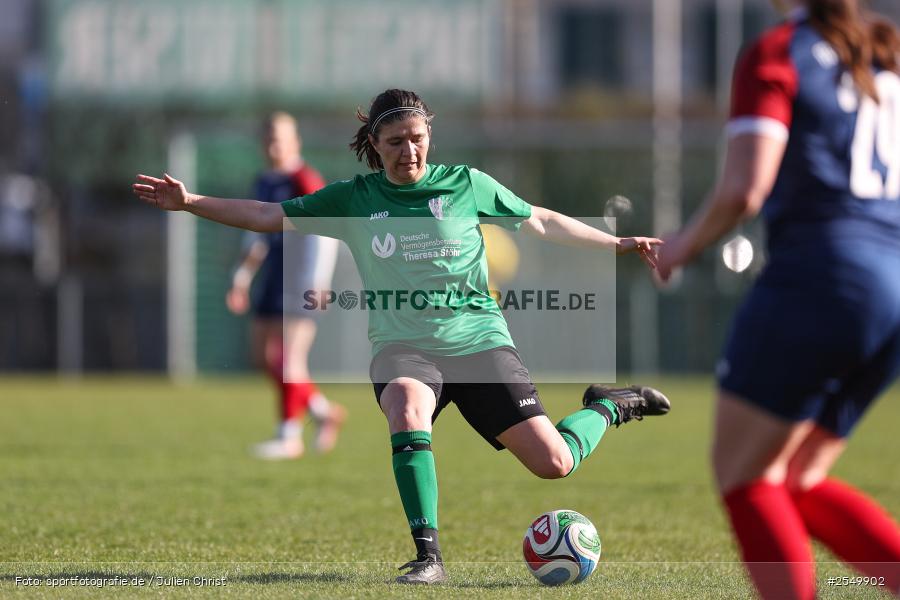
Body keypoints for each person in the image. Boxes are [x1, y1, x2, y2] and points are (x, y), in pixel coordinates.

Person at [134, 88, 671, 584]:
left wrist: (617, 244)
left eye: (417, 138)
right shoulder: (355, 199)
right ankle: (428, 556)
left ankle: (608, 406)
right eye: (395, 142)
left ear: (428, 136)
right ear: (374, 145)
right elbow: (265, 213)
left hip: (479, 343)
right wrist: (190, 202)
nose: (408, 151)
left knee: (555, 464)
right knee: (407, 411)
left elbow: (543, 221)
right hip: (404, 348)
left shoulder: (466, 184)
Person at [657, 2, 900, 598]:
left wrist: (682, 245)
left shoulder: (778, 50)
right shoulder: (886, 53)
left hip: (824, 278)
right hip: (893, 287)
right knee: (798, 477)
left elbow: (746, 187)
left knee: (745, 476)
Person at [225, 112, 346, 460]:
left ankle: (288, 436)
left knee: (292, 360)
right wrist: (242, 277)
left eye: (280, 136)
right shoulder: (263, 182)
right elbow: (255, 233)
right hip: (272, 278)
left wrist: (319, 281)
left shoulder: (304, 180)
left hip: (300, 280)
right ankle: (322, 412)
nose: (273, 143)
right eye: (267, 137)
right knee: (265, 358)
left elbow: (326, 231)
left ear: (296, 141)